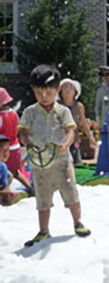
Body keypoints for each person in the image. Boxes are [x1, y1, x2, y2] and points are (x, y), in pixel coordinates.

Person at [18, 65, 91, 247]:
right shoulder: (30, 112)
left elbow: (70, 131)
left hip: (62, 161)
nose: (44, 97)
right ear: (34, 90)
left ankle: (78, 222)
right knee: (42, 198)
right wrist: (26, 139)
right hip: (39, 163)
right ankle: (44, 230)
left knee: (70, 193)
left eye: (48, 93)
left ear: (56, 90)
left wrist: (65, 144)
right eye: (39, 93)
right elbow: (23, 132)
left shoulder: (62, 111)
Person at [0, 88, 32, 194]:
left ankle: (5, 192)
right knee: (16, 173)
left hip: (4, 149)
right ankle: (30, 188)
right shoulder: (14, 114)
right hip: (15, 146)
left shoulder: (0, 117)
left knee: (5, 173)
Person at [59, 78, 97, 165]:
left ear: (75, 92)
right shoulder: (57, 105)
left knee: (76, 164)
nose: (67, 88)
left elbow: (83, 123)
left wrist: (90, 137)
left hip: (74, 140)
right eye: (65, 86)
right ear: (60, 91)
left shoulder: (79, 106)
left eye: (70, 86)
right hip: (60, 141)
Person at [0, 135, 22, 206]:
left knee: (9, 175)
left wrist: (9, 194)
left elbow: (5, 186)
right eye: (1, 148)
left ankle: (3, 200)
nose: (5, 152)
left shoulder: (3, 166)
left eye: (7, 149)